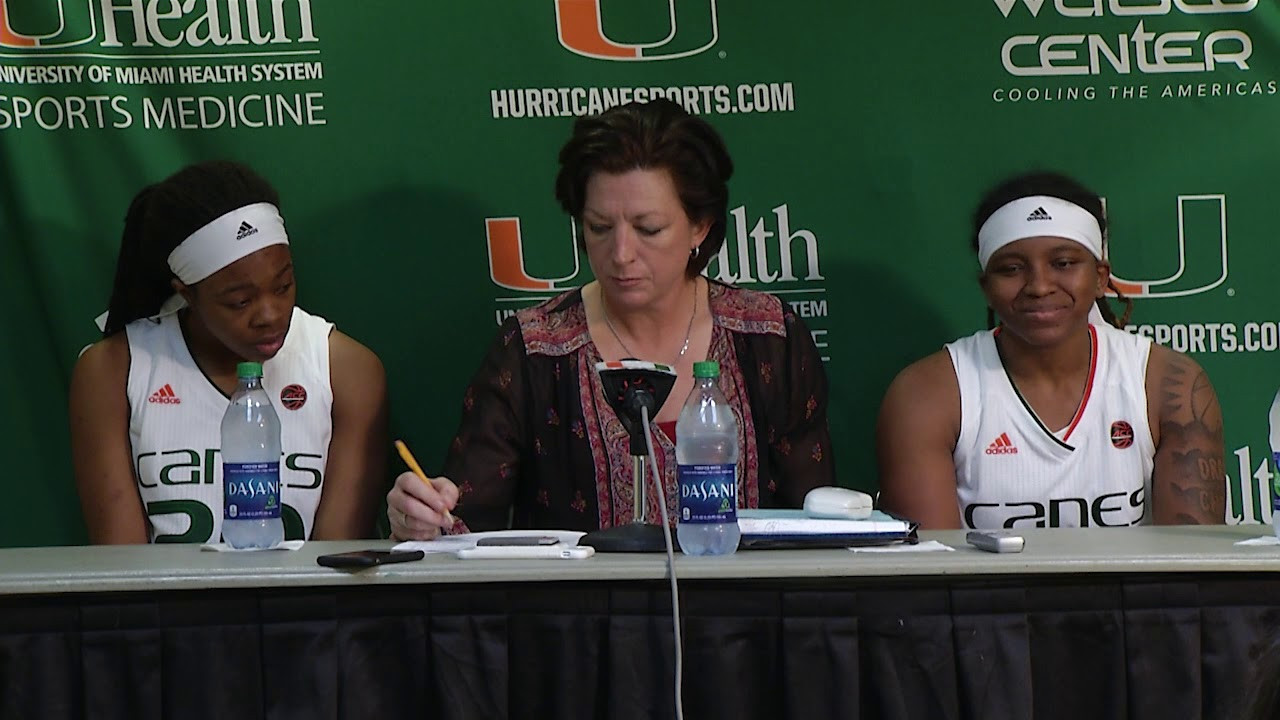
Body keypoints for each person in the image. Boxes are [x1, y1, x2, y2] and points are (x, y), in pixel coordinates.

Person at [388, 99, 833, 538]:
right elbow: (463, 524)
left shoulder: (770, 336)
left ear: (700, 226)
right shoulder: (534, 350)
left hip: (743, 608)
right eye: (599, 227)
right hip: (574, 610)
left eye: (648, 229)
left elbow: (817, 525)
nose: (621, 254)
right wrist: (423, 518)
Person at [876, 171, 1225, 530]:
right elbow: (931, 571)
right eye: (1011, 268)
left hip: (1139, 590)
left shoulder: (1169, 383)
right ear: (986, 287)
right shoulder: (927, 393)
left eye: (1063, 263)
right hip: (986, 590)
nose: (1039, 286)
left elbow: (1190, 568)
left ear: (1101, 277)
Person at [70, 161, 387, 544]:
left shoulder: (346, 368)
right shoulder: (113, 369)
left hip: (300, 604)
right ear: (186, 293)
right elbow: (121, 569)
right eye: (239, 302)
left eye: (284, 286)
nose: (270, 315)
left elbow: (337, 562)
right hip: (166, 604)